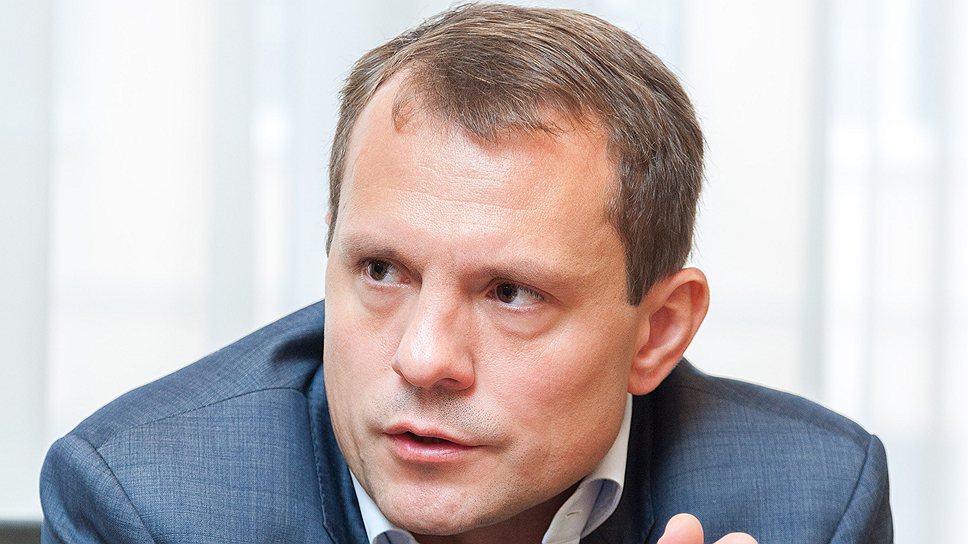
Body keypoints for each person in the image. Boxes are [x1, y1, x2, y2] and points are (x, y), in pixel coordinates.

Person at [39, 4, 893, 543]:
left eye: (511, 293)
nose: (423, 358)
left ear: (657, 331)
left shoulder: (810, 502)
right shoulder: (146, 504)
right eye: (381, 270)